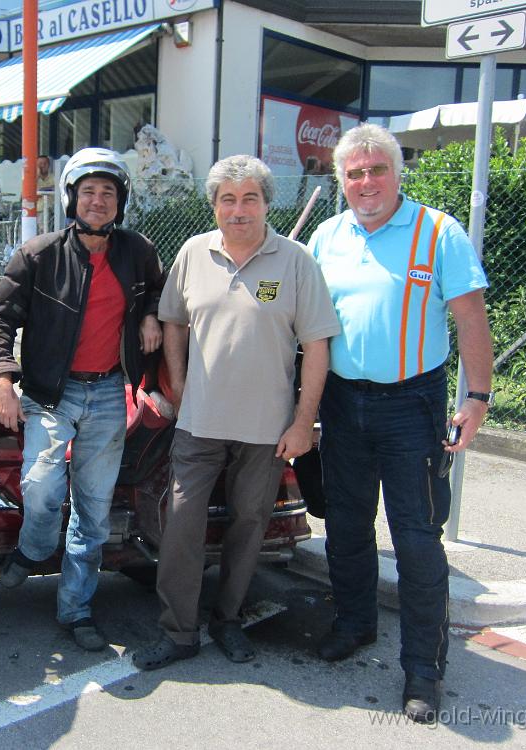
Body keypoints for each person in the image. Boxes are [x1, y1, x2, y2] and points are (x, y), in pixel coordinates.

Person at [306, 123, 493, 724]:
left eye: (376, 169)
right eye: (354, 173)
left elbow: (470, 318)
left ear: (397, 172)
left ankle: (423, 669)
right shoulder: (325, 236)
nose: (366, 182)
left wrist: (478, 397)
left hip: (411, 406)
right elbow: (284, 311)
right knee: (347, 526)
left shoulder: (440, 231)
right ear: (341, 179)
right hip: (339, 402)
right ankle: (355, 624)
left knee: (415, 540)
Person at [133, 154, 340, 671]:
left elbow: (317, 345)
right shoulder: (193, 252)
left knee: (250, 523)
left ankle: (228, 620)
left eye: (250, 198)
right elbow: (173, 320)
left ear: (267, 204)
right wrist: (179, 383)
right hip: (199, 421)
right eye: (228, 198)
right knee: (182, 522)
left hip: (267, 430)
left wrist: (302, 421)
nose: (239, 209)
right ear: (214, 205)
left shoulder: (295, 261)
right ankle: (179, 631)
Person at [0, 147, 163, 651]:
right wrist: (2, 379)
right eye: (88, 192)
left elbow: (158, 295)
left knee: (93, 508)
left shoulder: (137, 251)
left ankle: (77, 608)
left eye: (107, 192)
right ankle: (33, 548)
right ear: (71, 198)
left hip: (108, 390)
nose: (98, 201)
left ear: (120, 200)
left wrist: (149, 314)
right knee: (40, 486)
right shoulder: (38, 254)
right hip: (48, 394)